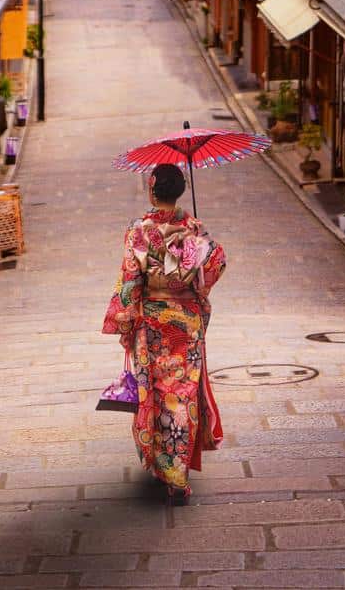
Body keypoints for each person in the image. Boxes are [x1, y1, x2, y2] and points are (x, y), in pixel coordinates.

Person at [100, 164, 225, 501]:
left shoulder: (139, 230)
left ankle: (162, 465)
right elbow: (213, 269)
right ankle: (177, 473)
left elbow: (129, 283)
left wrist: (126, 319)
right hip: (185, 324)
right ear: (181, 191)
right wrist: (195, 255)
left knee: (154, 394)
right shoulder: (194, 228)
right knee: (181, 395)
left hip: (152, 325)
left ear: (153, 190)